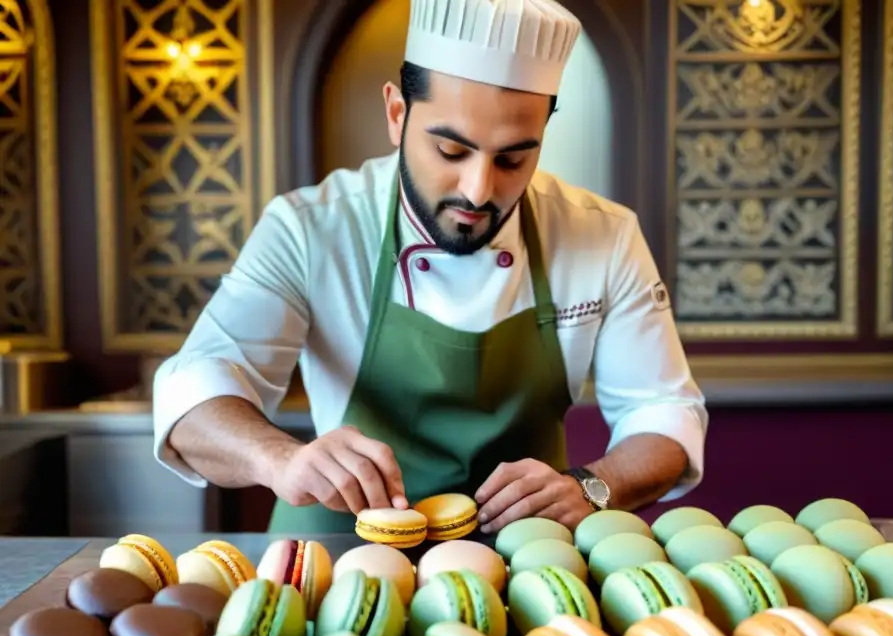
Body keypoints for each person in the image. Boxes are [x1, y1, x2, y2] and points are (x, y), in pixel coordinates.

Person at [151, 0, 707, 536]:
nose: (479, 190)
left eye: (513, 159)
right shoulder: (309, 227)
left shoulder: (603, 234)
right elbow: (197, 389)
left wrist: (592, 486)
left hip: (527, 558)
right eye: (450, 151)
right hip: (338, 553)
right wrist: (280, 460)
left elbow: (664, 414)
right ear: (398, 115)